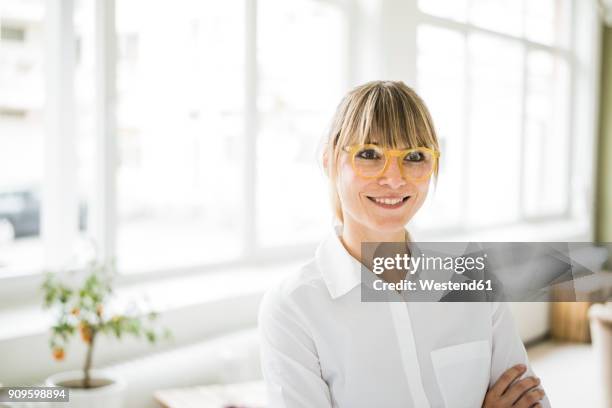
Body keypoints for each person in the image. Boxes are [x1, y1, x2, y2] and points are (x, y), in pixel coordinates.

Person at [257, 80, 550, 408]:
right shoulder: (293, 308)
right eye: (369, 154)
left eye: (414, 156)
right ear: (329, 161)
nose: (395, 178)